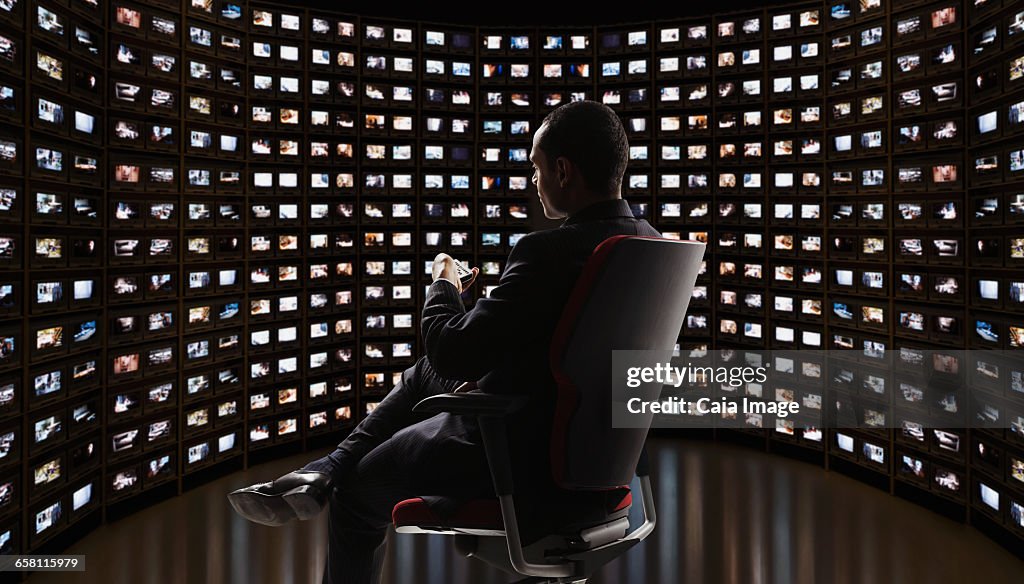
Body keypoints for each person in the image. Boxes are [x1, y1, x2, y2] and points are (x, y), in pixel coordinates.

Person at [227, 100, 661, 584]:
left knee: (356, 494)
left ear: (563, 170)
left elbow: (451, 350)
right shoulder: (647, 245)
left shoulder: (547, 251)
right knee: (421, 377)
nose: (534, 183)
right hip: (594, 452)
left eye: (537, 169)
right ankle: (326, 466)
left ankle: (334, 472)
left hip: (514, 452)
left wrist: (444, 286)